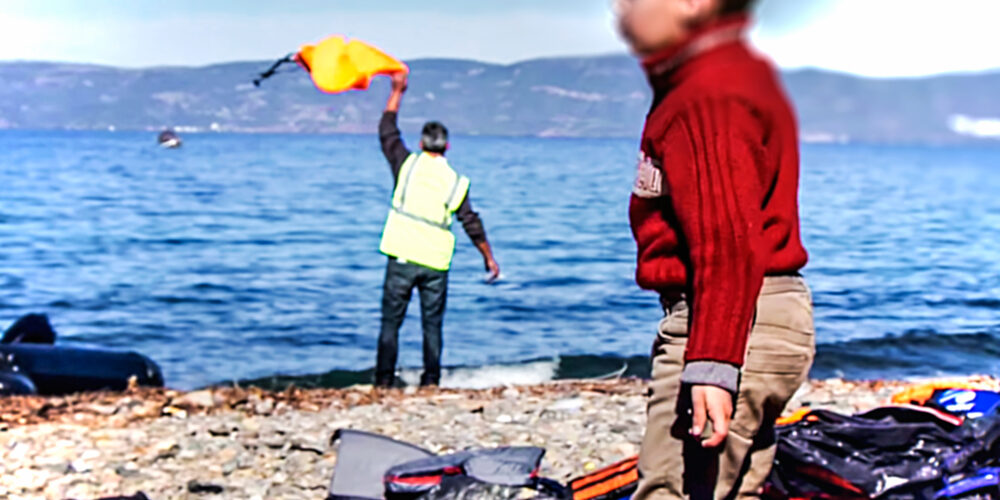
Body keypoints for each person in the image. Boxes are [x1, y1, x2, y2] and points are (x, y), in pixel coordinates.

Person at [615, 0, 814, 497]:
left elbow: (728, 238)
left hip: (730, 319)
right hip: (762, 317)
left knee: (672, 490)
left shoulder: (705, 92)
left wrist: (712, 364)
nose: (621, 9)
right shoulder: (730, 77)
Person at [374, 71, 501, 388]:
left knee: (391, 323)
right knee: (432, 325)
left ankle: (384, 382)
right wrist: (489, 258)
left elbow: (386, 131)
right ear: (448, 147)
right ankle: (431, 382)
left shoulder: (406, 164)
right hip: (436, 262)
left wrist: (396, 92)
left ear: (421, 144)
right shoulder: (456, 181)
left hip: (402, 254)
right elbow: (471, 222)